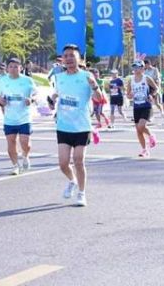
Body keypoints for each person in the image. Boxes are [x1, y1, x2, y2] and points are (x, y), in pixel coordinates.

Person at [49, 44, 103, 207]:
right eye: (65, 56)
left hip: (81, 126)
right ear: (62, 59)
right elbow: (56, 94)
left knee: (78, 160)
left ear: (79, 58)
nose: (68, 59)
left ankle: (81, 193)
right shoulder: (59, 77)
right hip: (63, 126)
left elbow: (99, 98)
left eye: (72, 55)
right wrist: (52, 100)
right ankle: (72, 181)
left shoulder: (87, 76)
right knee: (63, 164)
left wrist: (94, 85)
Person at [0, 58, 37, 174]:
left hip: (24, 117)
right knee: (11, 142)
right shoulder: (3, 80)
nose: (13, 69)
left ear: (21, 68)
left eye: (16, 66)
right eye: (11, 66)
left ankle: (25, 156)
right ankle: (15, 165)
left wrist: (31, 99)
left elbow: (36, 94)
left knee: (25, 143)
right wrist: (0, 100)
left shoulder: (28, 80)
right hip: (9, 118)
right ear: (7, 68)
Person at [126, 60, 158, 158]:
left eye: (138, 67)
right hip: (136, 106)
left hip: (146, 105)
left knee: (141, 126)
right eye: (134, 68)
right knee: (138, 130)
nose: (136, 70)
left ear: (142, 68)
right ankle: (144, 150)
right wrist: (130, 95)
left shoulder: (146, 78)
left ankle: (151, 135)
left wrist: (152, 95)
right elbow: (128, 94)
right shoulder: (131, 80)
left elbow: (156, 88)